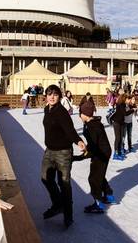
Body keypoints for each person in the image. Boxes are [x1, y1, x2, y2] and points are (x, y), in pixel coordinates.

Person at [40, 84, 86, 229]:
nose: (52, 97)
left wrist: (78, 141)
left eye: (55, 94)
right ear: (46, 96)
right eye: (49, 94)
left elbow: (70, 130)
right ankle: (58, 205)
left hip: (63, 152)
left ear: (59, 96)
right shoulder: (47, 109)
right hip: (49, 151)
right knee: (46, 178)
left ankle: (68, 215)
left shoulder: (61, 112)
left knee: (64, 184)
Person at [73, 103, 114, 213]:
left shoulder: (92, 126)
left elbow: (93, 146)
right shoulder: (94, 122)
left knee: (94, 178)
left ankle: (98, 204)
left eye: (80, 114)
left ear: (84, 114)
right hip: (104, 151)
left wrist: (80, 156)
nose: (79, 116)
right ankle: (109, 196)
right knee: (99, 175)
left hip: (100, 154)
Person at [110, 92, 130, 160]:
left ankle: (119, 152)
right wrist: (132, 110)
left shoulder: (123, 104)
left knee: (121, 138)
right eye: (127, 99)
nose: (128, 100)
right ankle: (115, 154)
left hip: (121, 122)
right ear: (124, 99)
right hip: (116, 122)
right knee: (118, 138)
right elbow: (125, 114)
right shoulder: (120, 104)